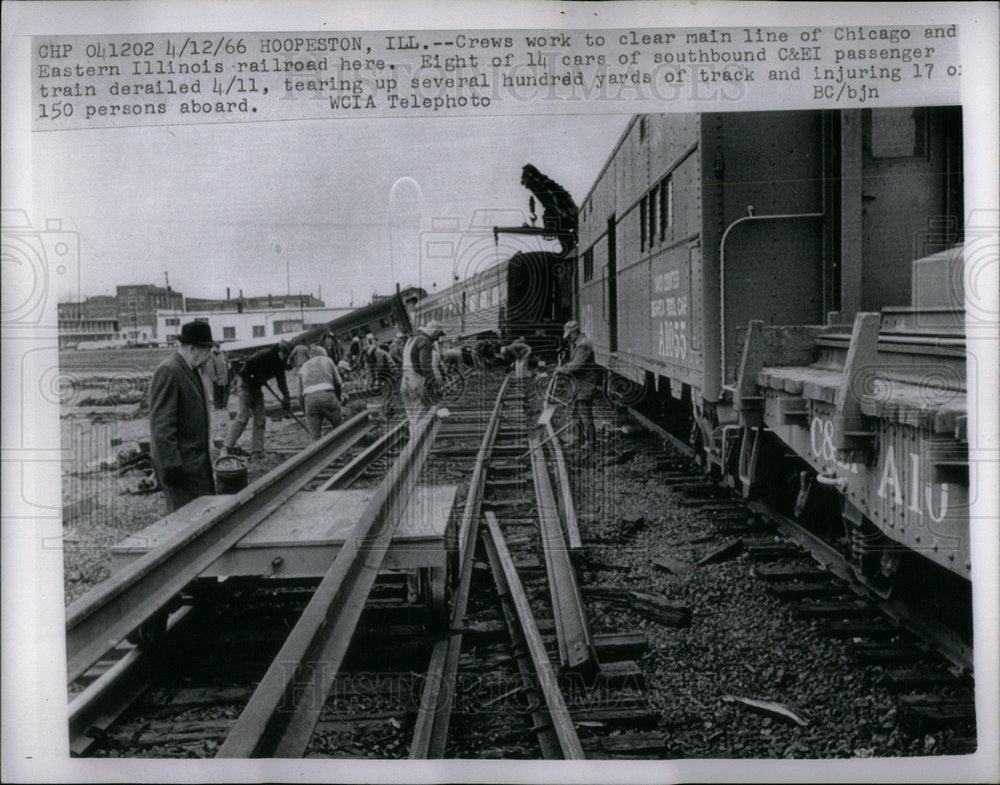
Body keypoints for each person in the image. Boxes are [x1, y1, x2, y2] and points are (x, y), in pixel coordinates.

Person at [148, 321, 216, 513]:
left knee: (202, 517)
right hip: (182, 469)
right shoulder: (169, 370)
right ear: (193, 348)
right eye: (206, 350)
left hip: (195, 466)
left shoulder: (191, 370)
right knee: (185, 521)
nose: (209, 356)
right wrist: (170, 467)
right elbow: (161, 425)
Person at [221, 340, 292, 459]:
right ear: (280, 351)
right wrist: (257, 378)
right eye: (284, 354)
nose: (285, 358)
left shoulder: (279, 363)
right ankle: (227, 447)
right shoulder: (265, 354)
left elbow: (282, 382)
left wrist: (286, 397)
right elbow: (246, 368)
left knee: (260, 419)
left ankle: (257, 451)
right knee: (243, 417)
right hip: (245, 385)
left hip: (256, 388)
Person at [555, 320, 600, 453]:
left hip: (585, 385)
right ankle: (577, 440)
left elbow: (576, 365)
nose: (568, 338)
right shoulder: (578, 344)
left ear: (575, 332)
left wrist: (561, 369)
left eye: (569, 335)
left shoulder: (584, 345)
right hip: (578, 385)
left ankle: (591, 443)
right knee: (575, 414)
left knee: (585, 416)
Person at [400, 320, 445, 431]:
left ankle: (413, 443)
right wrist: (433, 384)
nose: (438, 339)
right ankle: (418, 444)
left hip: (404, 380)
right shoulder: (425, 341)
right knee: (420, 415)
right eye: (438, 335)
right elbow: (425, 366)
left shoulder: (411, 339)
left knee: (412, 417)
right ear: (434, 332)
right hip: (415, 380)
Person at [297, 345, 345, 440]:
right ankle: (346, 452)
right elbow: (338, 383)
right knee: (340, 428)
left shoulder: (302, 367)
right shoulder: (327, 360)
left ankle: (319, 453)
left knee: (315, 436)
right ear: (324, 354)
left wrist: (305, 411)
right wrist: (338, 398)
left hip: (309, 399)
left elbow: (299, 395)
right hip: (327, 395)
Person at [205, 345, 230, 409]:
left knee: (223, 391)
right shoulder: (211, 356)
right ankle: (217, 405)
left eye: (218, 347)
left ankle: (223, 404)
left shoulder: (221, 354)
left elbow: (225, 363)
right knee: (217, 392)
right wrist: (214, 378)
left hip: (224, 376)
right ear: (213, 348)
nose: (218, 349)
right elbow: (210, 368)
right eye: (216, 347)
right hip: (217, 378)